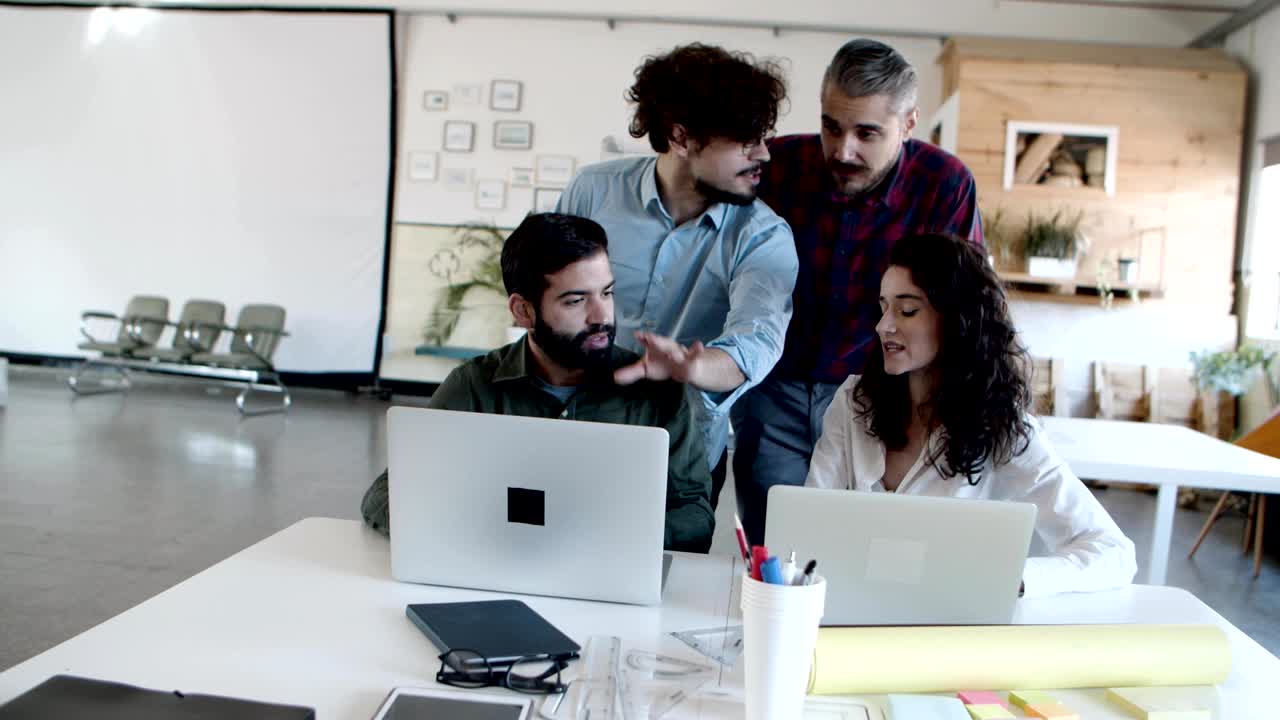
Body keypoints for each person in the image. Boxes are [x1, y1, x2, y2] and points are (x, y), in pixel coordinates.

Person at [733, 38, 984, 544]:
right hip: (774, 391)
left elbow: (963, 305)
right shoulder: (780, 165)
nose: (843, 150)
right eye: (831, 126)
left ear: (908, 123)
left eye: (867, 133)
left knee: (862, 549)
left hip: (878, 396)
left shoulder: (945, 183)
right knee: (776, 550)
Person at [806, 233, 1137, 597]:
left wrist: (1013, 579)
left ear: (956, 320)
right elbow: (809, 527)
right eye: (883, 307)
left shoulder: (1004, 429)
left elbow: (1113, 552)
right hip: (848, 610)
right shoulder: (854, 401)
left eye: (907, 310)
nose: (884, 325)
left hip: (948, 626)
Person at [361, 213, 714, 552]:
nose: (601, 316)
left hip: (614, 578)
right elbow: (384, 496)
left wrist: (612, 537)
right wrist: (489, 529)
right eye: (576, 300)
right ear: (523, 311)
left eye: (606, 293)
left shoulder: (658, 389)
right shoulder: (474, 387)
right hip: (497, 571)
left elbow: (695, 516)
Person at [556, 43, 798, 509]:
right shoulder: (592, 192)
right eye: (746, 140)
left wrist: (693, 368)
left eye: (764, 137)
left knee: (669, 579)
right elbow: (547, 291)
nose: (764, 154)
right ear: (682, 137)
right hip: (577, 431)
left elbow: (759, 339)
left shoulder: (764, 236)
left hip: (682, 454)